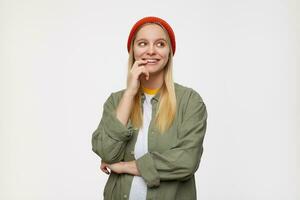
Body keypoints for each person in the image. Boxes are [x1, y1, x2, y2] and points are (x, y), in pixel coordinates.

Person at [91, 16, 208, 200]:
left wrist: (124, 167)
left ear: (169, 52)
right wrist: (130, 93)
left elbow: (187, 160)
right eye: (143, 43)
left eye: (160, 44)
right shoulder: (116, 101)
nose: (151, 51)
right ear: (133, 51)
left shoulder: (190, 101)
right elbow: (106, 152)